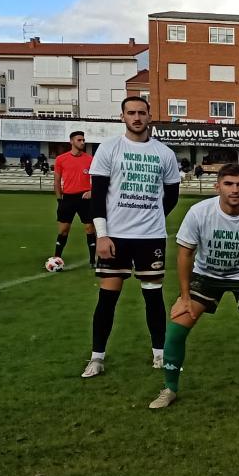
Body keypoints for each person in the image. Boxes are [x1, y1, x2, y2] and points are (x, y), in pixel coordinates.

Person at [148, 164, 239, 408]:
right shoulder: (198, 212)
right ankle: (169, 389)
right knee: (176, 328)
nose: (234, 190)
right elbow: (185, 255)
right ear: (217, 187)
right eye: (228, 184)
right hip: (206, 274)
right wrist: (184, 296)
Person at [81, 97, 182, 379]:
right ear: (122, 117)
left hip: (150, 238)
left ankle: (159, 354)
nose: (136, 117)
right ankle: (97, 358)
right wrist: (102, 236)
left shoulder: (164, 154)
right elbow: (98, 196)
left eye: (141, 113)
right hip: (115, 237)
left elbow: (171, 194)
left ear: (150, 116)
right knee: (107, 298)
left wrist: (153, 217)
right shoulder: (109, 149)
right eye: (131, 113)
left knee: (153, 297)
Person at [52, 131, 97, 267]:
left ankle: (92, 261)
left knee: (90, 228)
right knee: (64, 230)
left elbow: (97, 179)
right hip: (68, 198)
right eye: (79, 140)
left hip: (85, 198)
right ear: (71, 141)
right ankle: (56, 259)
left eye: (83, 140)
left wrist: (91, 191)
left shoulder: (90, 159)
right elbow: (57, 181)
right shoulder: (61, 159)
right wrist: (60, 200)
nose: (82, 142)